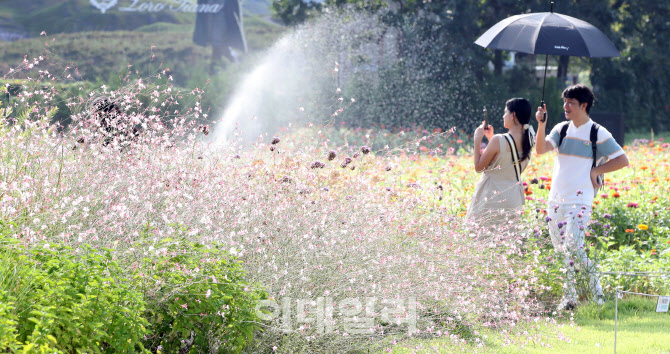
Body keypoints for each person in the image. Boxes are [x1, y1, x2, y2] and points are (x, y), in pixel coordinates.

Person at [535, 84, 629, 310]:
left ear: (584, 105)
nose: (565, 106)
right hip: (556, 199)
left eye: (571, 103)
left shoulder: (598, 132)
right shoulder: (561, 129)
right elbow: (540, 149)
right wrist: (541, 124)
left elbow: (622, 160)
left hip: (580, 199)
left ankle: (597, 297)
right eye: (564, 101)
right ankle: (569, 298)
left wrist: (596, 171)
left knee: (575, 247)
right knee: (561, 251)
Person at [465, 98, 535, 225]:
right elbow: (507, 162)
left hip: (492, 197)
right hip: (513, 199)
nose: (503, 116)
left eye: (505, 112)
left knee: (482, 240)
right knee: (506, 242)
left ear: (513, 115)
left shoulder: (498, 140)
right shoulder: (529, 140)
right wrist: (491, 138)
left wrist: (477, 139)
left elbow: (479, 167)